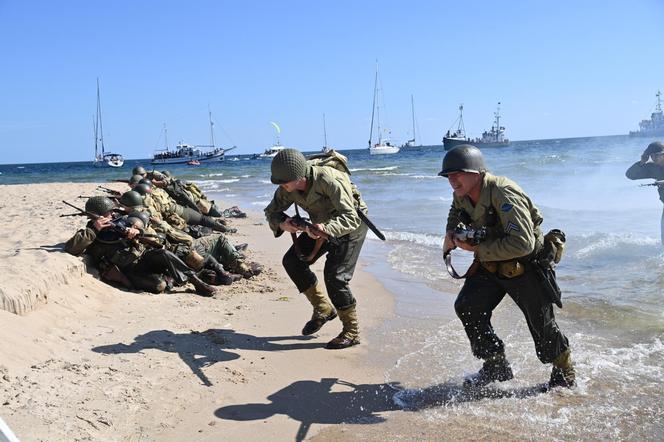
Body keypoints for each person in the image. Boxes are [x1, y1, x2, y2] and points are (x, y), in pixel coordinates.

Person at [439, 144, 575, 389]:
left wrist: (476, 250)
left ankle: (564, 372)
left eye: (457, 173)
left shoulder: (503, 192)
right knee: (468, 307)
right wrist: (450, 232)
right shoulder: (461, 192)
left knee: (541, 325)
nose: (452, 179)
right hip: (491, 264)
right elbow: (456, 210)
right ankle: (495, 366)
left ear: (476, 173)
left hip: (525, 264)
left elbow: (523, 243)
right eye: (448, 175)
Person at [264, 149, 368, 349]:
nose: (282, 187)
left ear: (300, 176)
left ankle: (351, 331)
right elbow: (271, 211)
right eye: (279, 183)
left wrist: (326, 229)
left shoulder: (328, 179)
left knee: (335, 276)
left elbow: (350, 217)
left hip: (351, 226)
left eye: (285, 182)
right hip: (319, 225)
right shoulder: (287, 185)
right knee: (292, 261)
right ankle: (323, 308)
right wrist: (283, 224)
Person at [625, 141, 664, 244]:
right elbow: (630, 175)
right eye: (651, 156)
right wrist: (642, 162)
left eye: (656, 155)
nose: (654, 158)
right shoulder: (653, 168)